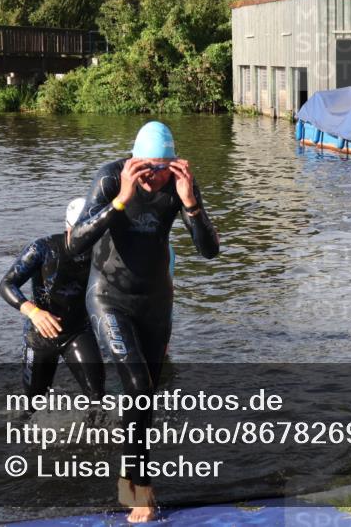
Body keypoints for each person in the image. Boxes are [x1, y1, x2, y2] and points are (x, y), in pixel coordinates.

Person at [68, 121, 219, 523]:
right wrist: (120, 201)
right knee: (136, 384)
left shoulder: (179, 184)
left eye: (163, 168)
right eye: (148, 168)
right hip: (108, 297)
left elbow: (210, 251)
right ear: (134, 162)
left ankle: (128, 475)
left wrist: (190, 204)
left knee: (146, 395)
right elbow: (75, 242)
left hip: (155, 303)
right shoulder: (109, 178)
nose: (155, 177)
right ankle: (139, 490)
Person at [0, 198, 104, 406]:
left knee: (97, 398)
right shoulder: (43, 248)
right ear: (68, 227)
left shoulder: (101, 253)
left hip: (77, 331)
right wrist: (33, 312)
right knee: (33, 406)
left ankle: (96, 436)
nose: (85, 239)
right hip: (40, 335)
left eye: (90, 232)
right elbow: (7, 284)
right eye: (80, 232)